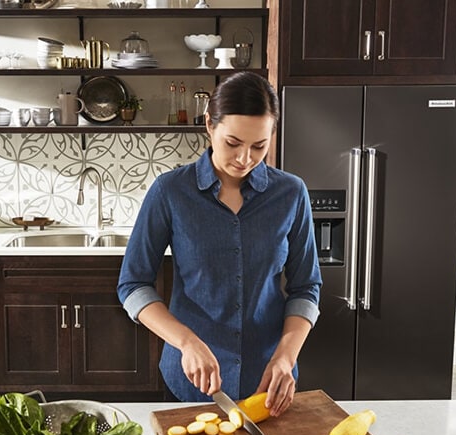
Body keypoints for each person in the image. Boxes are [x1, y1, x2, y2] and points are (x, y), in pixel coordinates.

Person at [117, 72, 321, 417]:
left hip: (269, 384)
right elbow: (133, 285)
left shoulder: (291, 193)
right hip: (190, 384)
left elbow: (306, 288)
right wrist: (186, 342)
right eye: (233, 143)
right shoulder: (170, 192)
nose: (245, 158)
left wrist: (286, 357)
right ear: (209, 125)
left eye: (259, 146)